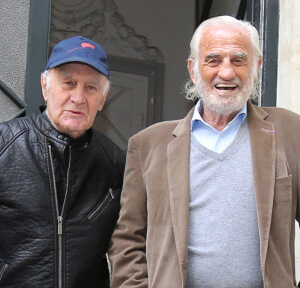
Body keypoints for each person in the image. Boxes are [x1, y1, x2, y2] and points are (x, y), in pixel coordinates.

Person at [108, 15, 300, 287]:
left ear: (256, 67)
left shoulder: (290, 131)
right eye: (213, 60)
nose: (226, 72)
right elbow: (127, 240)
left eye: (238, 60)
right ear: (193, 69)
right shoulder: (149, 145)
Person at [0, 36, 125, 287]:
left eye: (91, 87)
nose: (78, 98)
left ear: (102, 99)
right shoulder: (4, 145)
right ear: (45, 87)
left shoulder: (116, 162)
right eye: (68, 83)